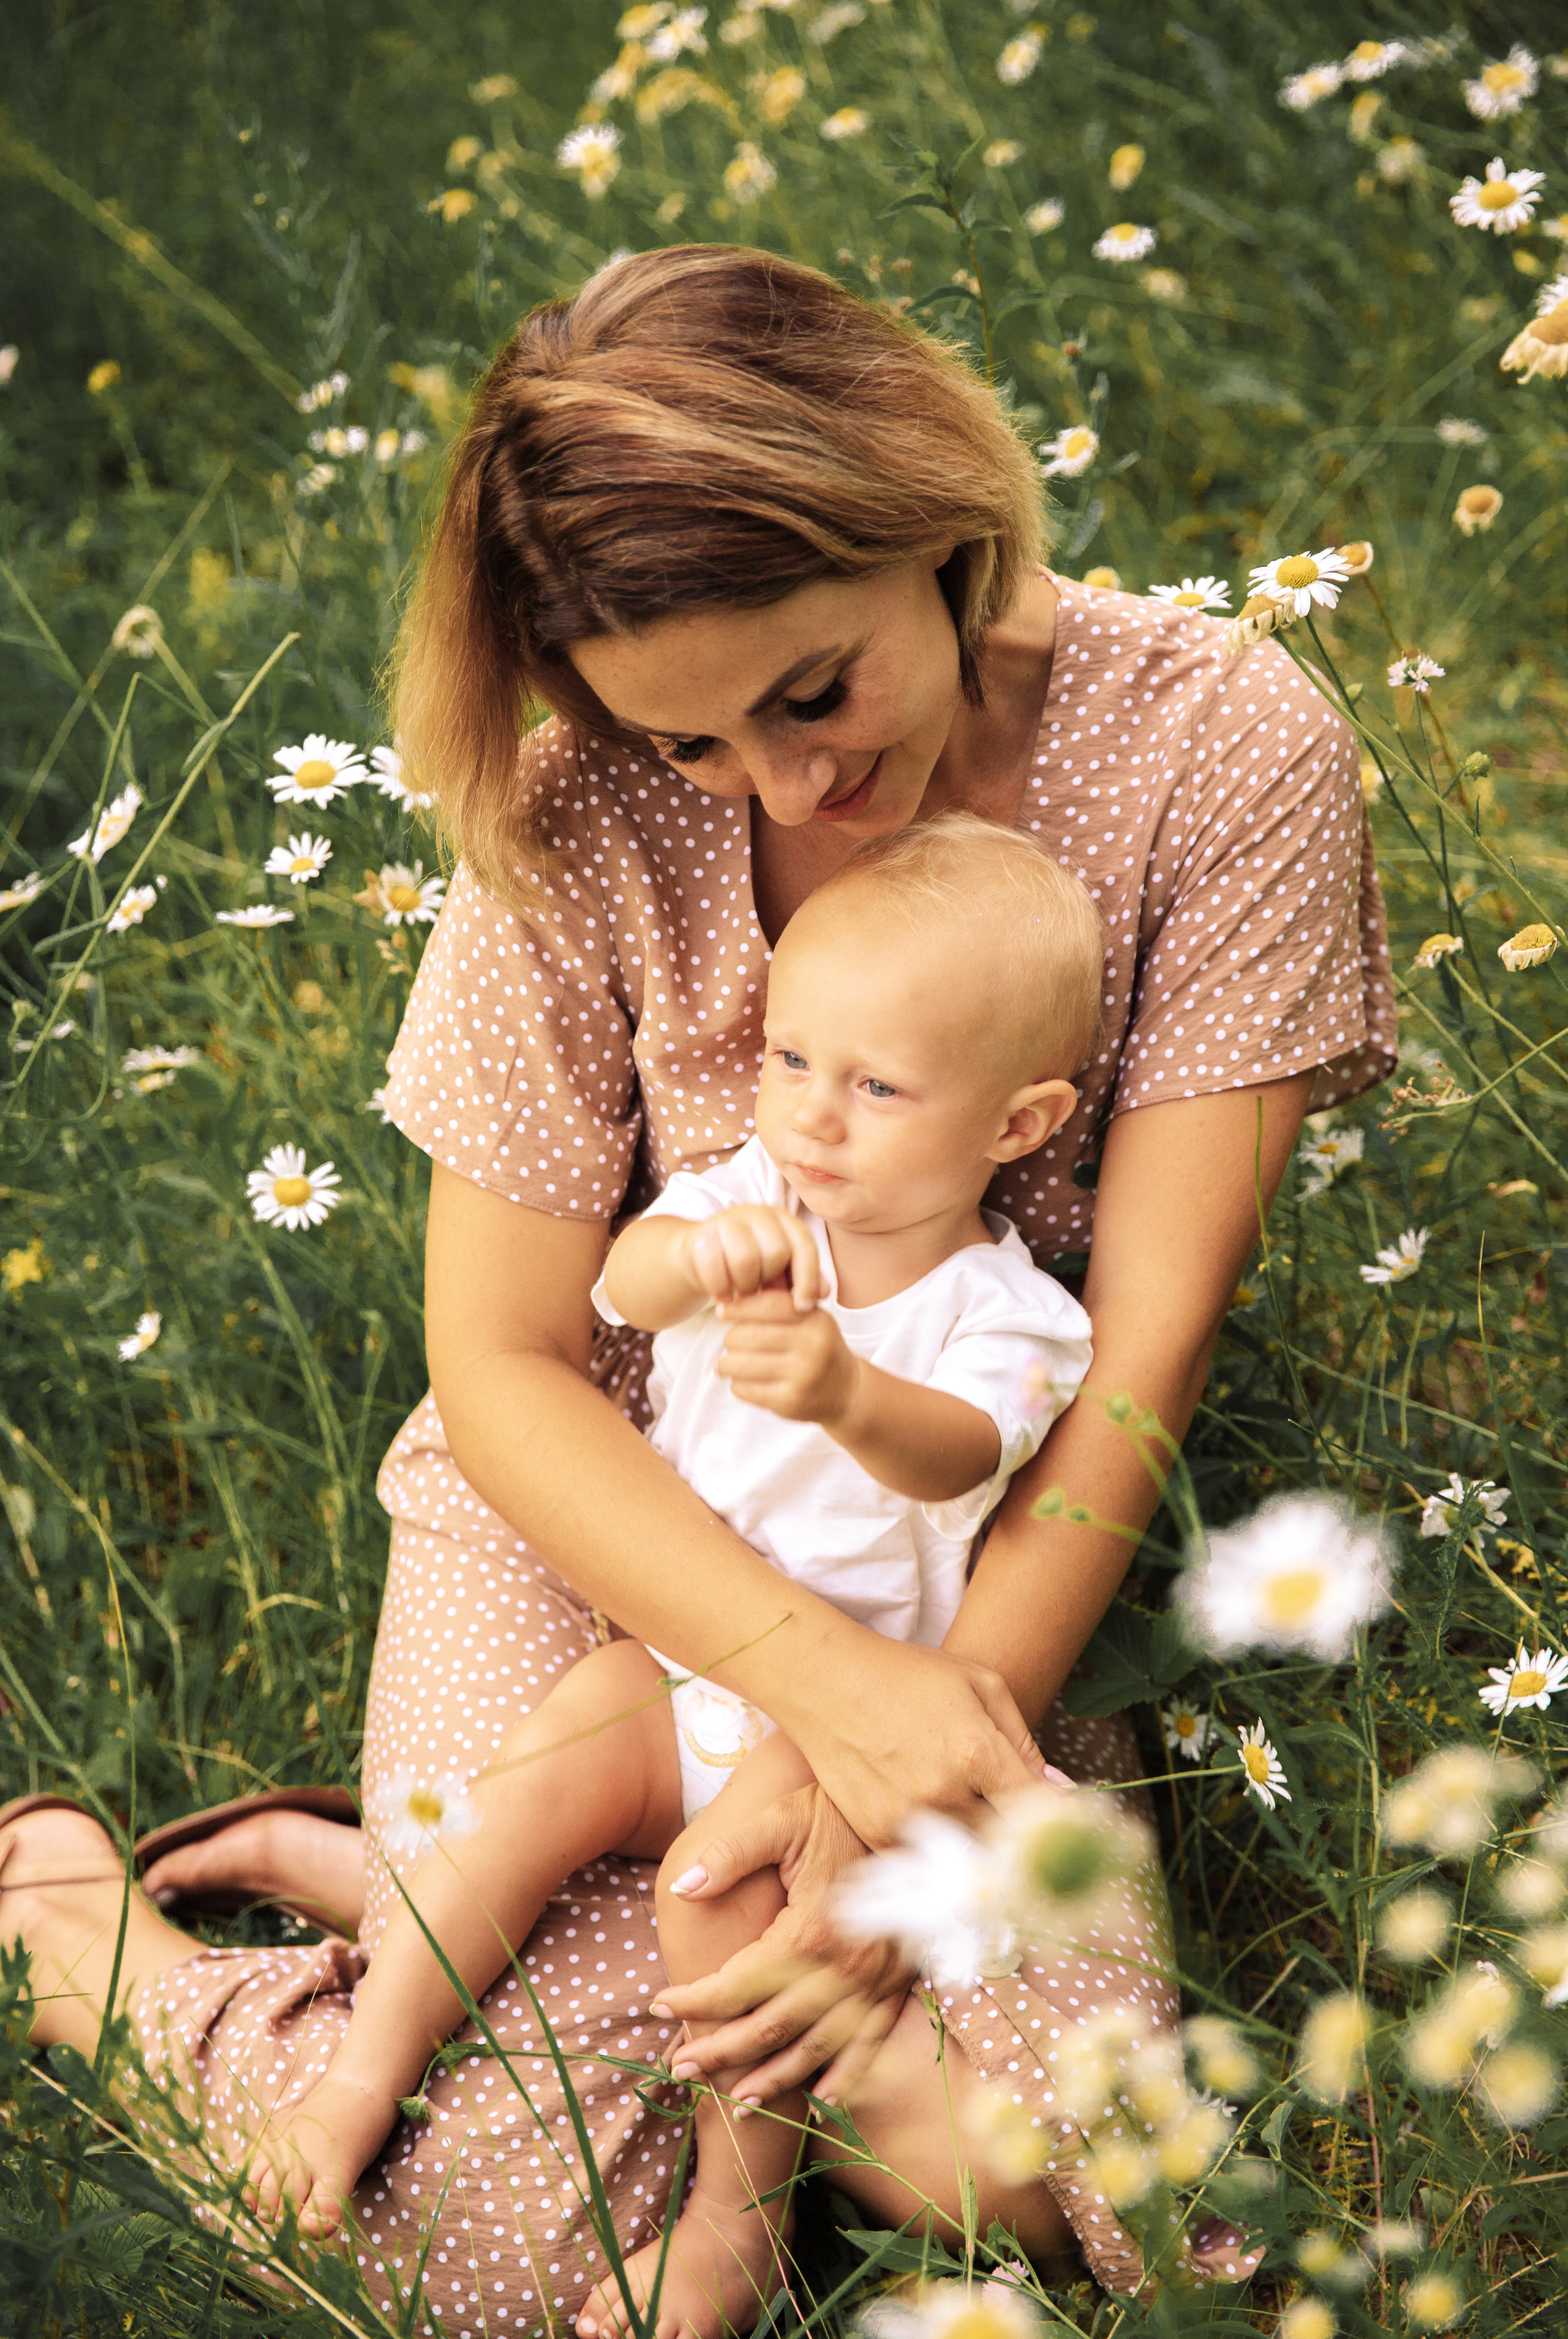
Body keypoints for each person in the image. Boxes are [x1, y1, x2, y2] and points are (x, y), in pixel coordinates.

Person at [1, 244, 1395, 2325]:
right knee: (503, 2233)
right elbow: (504, 1358)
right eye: (694, 744)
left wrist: (898, 1738)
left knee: (1052, 2178)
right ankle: (87, 1949)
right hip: (604, 1510)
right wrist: (814, 1696)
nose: (787, 786)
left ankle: (418, 1884)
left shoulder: (1218, 742)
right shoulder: (573, 808)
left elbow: (1144, 1352)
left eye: (814, 691)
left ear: (928, 513)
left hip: (973, 1542)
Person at [241, 815, 1102, 2334]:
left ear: (1016, 1125)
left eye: (875, 1087)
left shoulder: (1006, 1310)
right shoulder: (749, 1192)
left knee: (723, 1919)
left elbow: (964, 1452)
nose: (812, 1115)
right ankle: (362, 2070)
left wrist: (845, 1393)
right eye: (788, 1060)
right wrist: (686, 1260)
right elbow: (617, 1283)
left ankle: (731, 2222)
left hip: (841, 1724)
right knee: (528, 1796)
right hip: (676, 1651)